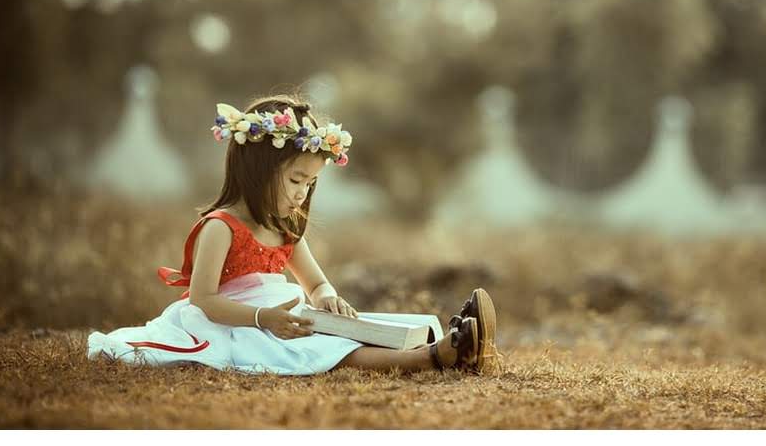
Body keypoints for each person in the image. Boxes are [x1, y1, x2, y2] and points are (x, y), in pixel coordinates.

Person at [87, 94, 497, 376]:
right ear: (259, 171)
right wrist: (264, 318)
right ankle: (434, 358)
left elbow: (314, 281)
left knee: (353, 328)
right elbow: (203, 299)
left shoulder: (285, 230)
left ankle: (451, 338)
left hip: (287, 318)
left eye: (310, 184)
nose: (302, 193)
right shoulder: (221, 227)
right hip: (236, 325)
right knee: (325, 350)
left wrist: (327, 297)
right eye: (296, 179)